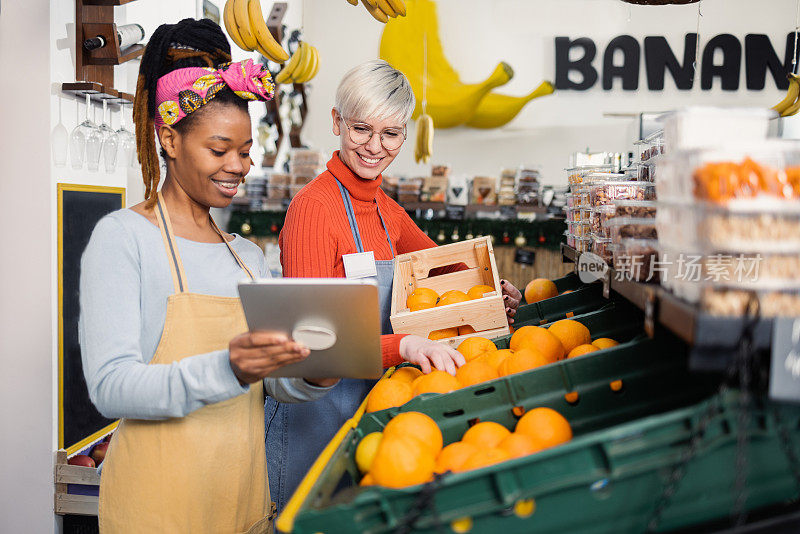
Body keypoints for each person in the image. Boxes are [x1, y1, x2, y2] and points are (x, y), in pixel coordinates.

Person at [79, 19, 337, 533]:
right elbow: (111, 388)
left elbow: (271, 387)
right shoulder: (125, 238)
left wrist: (314, 374)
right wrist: (228, 369)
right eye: (219, 151)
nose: (237, 166)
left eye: (244, 152)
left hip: (242, 510)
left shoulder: (247, 256)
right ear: (170, 140)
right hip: (156, 514)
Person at [268, 59, 522, 511]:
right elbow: (314, 341)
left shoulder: (387, 211)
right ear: (336, 123)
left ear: (405, 135)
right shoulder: (313, 209)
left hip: (374, 415)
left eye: (391, 133)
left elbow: (443, 268)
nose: (374, 147)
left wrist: (490, 291)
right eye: (361, 129)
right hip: (316, 419)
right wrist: (402, 346)